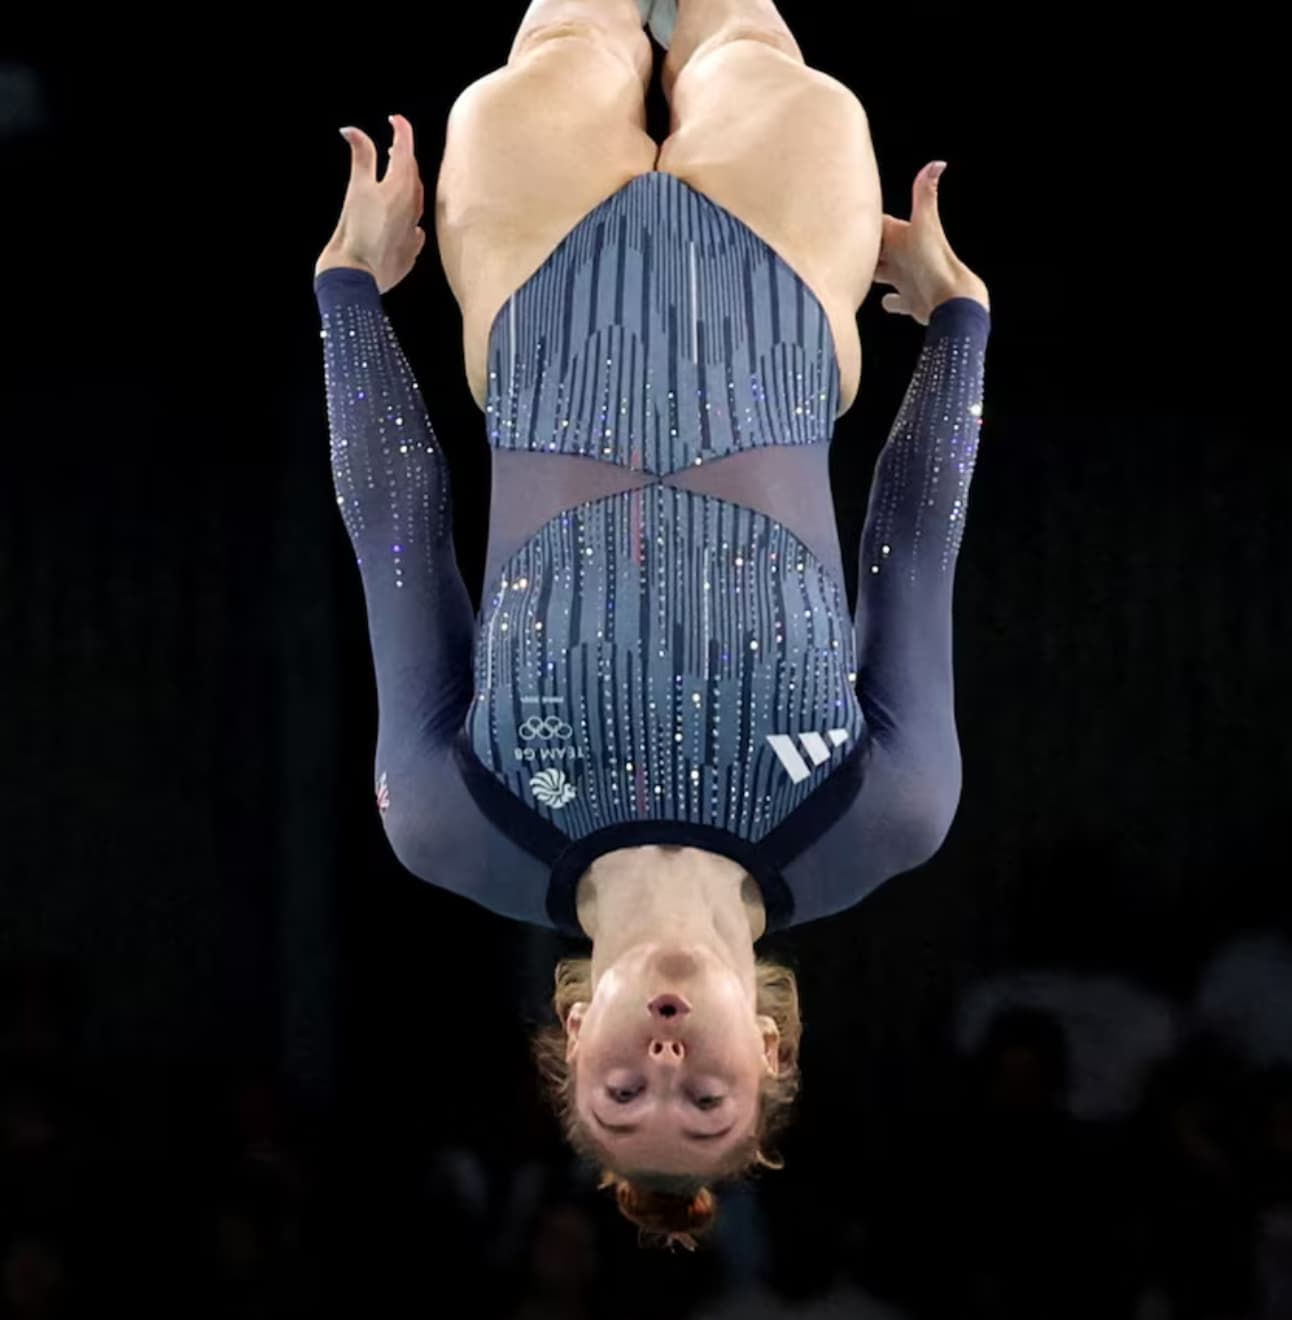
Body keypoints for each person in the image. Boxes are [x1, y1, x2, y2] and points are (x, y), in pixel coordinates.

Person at [313, 0, 992, 1248]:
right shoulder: (879, 818)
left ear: (573, 1040)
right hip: (781, 293)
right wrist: (958, 325)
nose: (665, 1060)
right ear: (772, 1042)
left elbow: (395, 530)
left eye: (627, 1095)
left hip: (538, 291)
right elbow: (917, 540)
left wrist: (348, 289)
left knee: (570, 44)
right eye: (709, 1092)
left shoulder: (457, 825)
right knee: (742, 45)